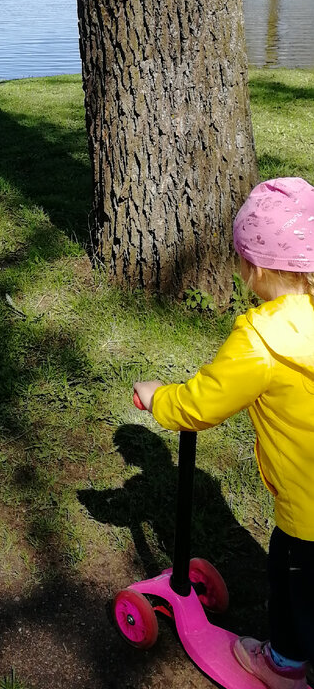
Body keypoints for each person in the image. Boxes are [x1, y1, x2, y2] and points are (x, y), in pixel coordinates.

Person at [133, 176, 314, 689]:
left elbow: (202, 403)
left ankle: (284, 667)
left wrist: (158, 398)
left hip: (308, 510)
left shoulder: (260, 339)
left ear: (253, 267)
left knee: (294, 587)